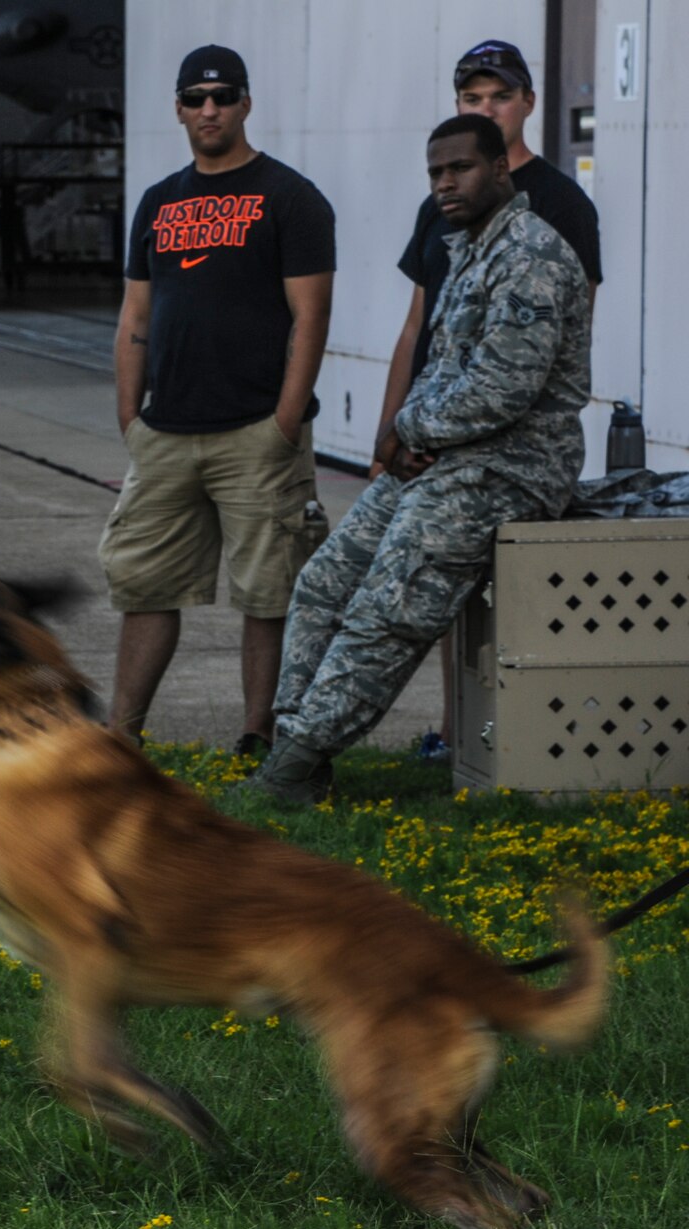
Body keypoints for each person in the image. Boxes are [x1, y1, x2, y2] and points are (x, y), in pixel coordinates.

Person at [250, 115, 591, 806]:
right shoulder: (465, 247)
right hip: (444, 459)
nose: (445, 183)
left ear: (500, 170)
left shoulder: (530, 254)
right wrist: (407, 442)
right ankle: (297, 749)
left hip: (509, 470)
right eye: (436, 172)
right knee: (323, 582)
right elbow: (444, 369)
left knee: (388, 605)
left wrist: (402, 427)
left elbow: (503, 390)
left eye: (460, 168)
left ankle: (290, 770)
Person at [100, 44, 334, 755]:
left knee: (268, 593)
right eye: (196, 99)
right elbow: (134, 316)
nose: (210, 110)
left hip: (257, 432)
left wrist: (285, 423)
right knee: (144, 586)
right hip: (166, 433)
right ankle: (120, 739)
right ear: (177, 108)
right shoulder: (158, 202)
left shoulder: (290, 198)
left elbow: (310, 317)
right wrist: (130, 418)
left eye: (223, 97)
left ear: (245, 104)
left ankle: (256, 735)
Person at [375, 39, 602, 762]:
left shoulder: (562, 204)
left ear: (528, 104)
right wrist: (389, 428)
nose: (486, 109)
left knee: (497, 590)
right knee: (434, 589)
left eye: (498, 97)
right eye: (471, 99)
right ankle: (452, 727)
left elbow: (573, 325)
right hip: (432, 428)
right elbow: (417, 323)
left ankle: (510, 735)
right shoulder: (439, 197)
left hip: (510, 442)